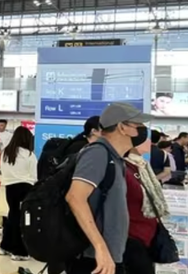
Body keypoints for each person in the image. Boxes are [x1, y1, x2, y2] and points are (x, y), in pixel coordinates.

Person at [64, 102, 151, 274]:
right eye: (138, 125)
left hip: (109, 256)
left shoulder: (116, 159)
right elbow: (75, 197)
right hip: (94, 258)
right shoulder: (97, 153)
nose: (142, 131)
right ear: (122, 127)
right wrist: (100, 248)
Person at [122, 146, 168, 274]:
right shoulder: (123, 168)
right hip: (132, 234)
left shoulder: (142, 166)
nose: (148, 142)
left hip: (148, 233)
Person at [0, 126, 37, 261]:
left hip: (10, 188)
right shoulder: (29, 155)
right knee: (22, 219)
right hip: (25, 188)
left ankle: (5, 246)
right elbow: (34, 175)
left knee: (12, 214)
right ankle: (19, 251)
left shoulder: (6, 153)